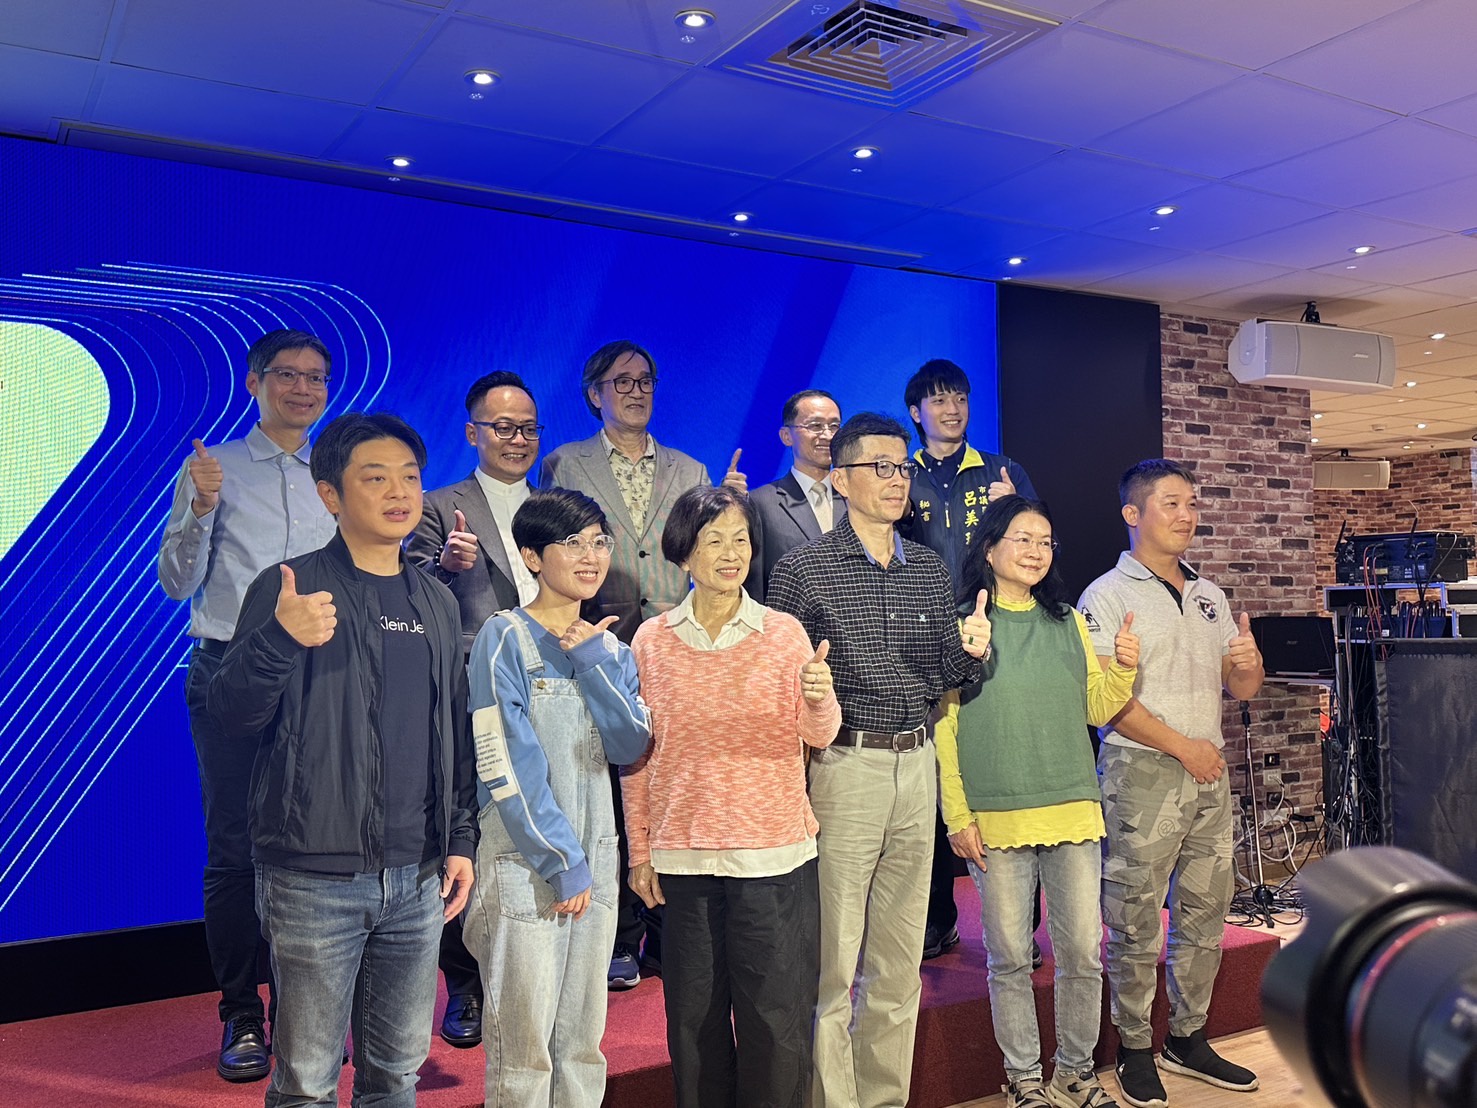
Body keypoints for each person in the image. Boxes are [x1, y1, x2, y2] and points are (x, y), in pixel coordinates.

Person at [208, 411, 477, 1108]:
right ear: (330, 494)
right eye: (375, 478)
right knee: (306, 1082)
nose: (399, 492)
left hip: (418, 877)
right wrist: (279, 639)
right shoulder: (289, 588)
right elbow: (229, 715)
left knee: (395, 1076)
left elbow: (453, 729)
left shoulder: (436, 600)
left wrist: (460, 840)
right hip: (312, 875)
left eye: (409, 477)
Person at [765, 412, 991, 1108]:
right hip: (844, 768)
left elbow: (949, 675)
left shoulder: (928, 568)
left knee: (897, 963)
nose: (897, 481)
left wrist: (974, 651)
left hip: (916, 763)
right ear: (841, 479)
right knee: (833, 963)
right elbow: (778, 688)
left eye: (903, 468)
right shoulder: (802, 571)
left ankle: (884, 1100)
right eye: (881, 467)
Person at [156, 328, 338, 1082]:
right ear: (254, 382)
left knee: (318, 848)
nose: (303, 388)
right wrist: (201, 507)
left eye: (316, 377)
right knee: (234, 850)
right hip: (230, 670)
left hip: (323, 677)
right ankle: (240, 1013)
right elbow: (176, 582)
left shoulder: (339, 472)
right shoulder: (215, 468)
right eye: (287, 374)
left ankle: (308, 1011)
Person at [623, 485, 841, 1107]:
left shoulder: (783, 632)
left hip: (772, 856)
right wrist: (640, 852)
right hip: (684, 858)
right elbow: (637, 757)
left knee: (776, 1021)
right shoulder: (651, 641)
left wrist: (820, 695)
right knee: (693, 1025)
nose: (731, 553)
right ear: (683, 553)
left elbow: (818, 735)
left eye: (741, 539)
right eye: (713, 540)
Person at [538, 339, 734, 988]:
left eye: (644, 380)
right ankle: (619, 934)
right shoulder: (564, 463)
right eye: (620, 382)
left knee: (669, 783)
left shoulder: (689, 467)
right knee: (610, 792)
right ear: (593, 392)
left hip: (677, 649)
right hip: (598, 644)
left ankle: (667, 930)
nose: (635, 392)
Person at [936, 495, 1137, 1108]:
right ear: (989, 549)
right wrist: (956, 815)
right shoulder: (965, 624)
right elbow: (944, 727)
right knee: (1009, 959)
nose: (1035, 551)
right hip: (994, 815)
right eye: (1022, 539)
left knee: (1082, 954)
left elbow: (1095, 707)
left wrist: (1123, 670)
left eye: (1045, 541)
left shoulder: (1068, 621)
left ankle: (1075, 1074)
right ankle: (1023, 1079)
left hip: (1072, 806)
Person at [1078, 459, 1265, 1108]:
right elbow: (1105, 703)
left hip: (1208, 773)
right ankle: (1133, 1048)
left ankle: (1187, 1038)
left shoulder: (1210, 593)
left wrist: (1249, 663)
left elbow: (1241, 688)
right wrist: (1183, 747)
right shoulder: (1105, 595)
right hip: (1142, 772)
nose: (1186, 515)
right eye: (1170, 503)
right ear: (1133, 514)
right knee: (1134, 919)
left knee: (1205, 912)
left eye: (1191, 502)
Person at [461, 487, 652, 1107]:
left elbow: (630, 743)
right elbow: (505, 763)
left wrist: (593, 660)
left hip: (596, 860)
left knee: (580, 1045)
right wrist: (560, 859)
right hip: (525, 863)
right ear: (532, 557)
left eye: (599, 541)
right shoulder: (503, 637)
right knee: (524, 1053)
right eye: (572, 543)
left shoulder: (611, 648)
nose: (590, 555)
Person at [406, 370, 542, 1046]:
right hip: (468, 694)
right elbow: (403, 591)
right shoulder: (438, 506)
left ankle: (530, 971)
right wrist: (445, 565)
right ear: (472, 433)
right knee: (464, 836)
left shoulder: (557, 506)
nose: (517, 439)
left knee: (531, 831)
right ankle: (463, 984)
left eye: (528, 428)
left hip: (548, 694)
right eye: (503, 427)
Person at [901, 358, 1041, 962]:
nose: (951, 408)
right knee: (934, 777)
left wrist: (1014, 508)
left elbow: (1038, 540)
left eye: (958, 396)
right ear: (916, 412)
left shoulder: (1003, 470)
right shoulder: (901, 474)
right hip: (924, 637)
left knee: (1003, 764)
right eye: (938, 399)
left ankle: (1023, 930)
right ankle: (937, 920)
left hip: (998, 630)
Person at [743, 389, 845, 602]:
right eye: (815, 426)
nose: (828, 435)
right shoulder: (761, 503)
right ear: (786, 436)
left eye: (834, 426)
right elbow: (754, 588)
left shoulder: (856, 497)